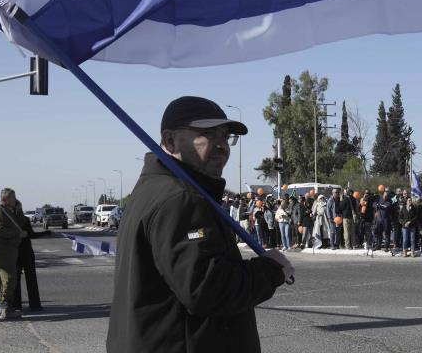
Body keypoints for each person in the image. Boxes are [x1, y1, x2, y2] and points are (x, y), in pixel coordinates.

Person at [106, 96, 291, 353]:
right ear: (170, 140)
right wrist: (271, 271)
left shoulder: (155, 190)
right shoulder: (179, 199)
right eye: (207, 134)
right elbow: (207, 289)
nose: (221, 146)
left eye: (225, 137)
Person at [0, 187, 26, 319]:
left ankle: (4, 306)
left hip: (11, 247)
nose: (15, 200)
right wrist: (17, 234)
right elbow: (0, 231)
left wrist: (19, 209)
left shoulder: (11, 211)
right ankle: (5, 306)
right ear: (6, 199)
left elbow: (21, 223)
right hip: (4, 248)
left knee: (8, 278)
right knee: (9, 278)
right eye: (13, 198)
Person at [14, 200, 43, 312]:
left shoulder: (25, 219)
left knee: (32, 279)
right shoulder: (10, 220)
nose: (18, 210)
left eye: (19, 207)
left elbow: (31, 234)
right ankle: (16, 305)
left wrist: (46, 233)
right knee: (15, 281)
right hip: (15, 253)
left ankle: (35, 304)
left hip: (27, 253)